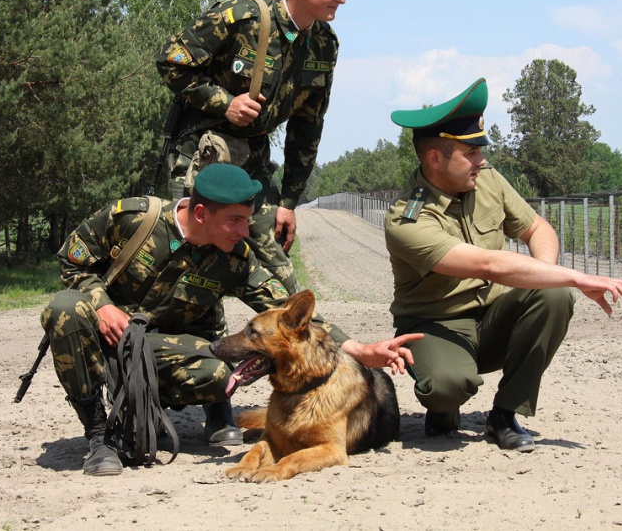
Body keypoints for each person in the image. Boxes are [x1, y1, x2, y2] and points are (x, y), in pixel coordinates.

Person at [42, 163, 419, 476]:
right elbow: (70, 260)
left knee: (218, 374)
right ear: (201, 213)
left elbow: (289, 311)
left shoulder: (236, 257)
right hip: (108, 332)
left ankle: (153, 409)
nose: (244, 231)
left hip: (161, 347)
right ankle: (97, 436)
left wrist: (357, 348)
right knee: (64, 309)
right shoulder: (133, 219)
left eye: (247, 220)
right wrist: (103, 303)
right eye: (235, 220)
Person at [383, 78, 622, 452]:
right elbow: (489, 264)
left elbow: (537, 228)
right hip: (436, 325)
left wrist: (545, 279)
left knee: (554, 297)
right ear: (435, 158)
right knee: (446, 386)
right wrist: (574, 276)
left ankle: (504, 415)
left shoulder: (487, 180)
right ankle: (444, 406)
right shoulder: (406, 219)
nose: (482, 160)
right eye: (470, 152)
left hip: (495, 316)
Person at [155, 0, 361, 295]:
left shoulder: (325, 45)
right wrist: (224, 103)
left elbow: (307, 127)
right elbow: (171, 61)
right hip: (199, 159)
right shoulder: (241, 18)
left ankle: (296, 346)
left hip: (252, 162)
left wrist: (289, 202)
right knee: (187, 262)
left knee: (281, 277)